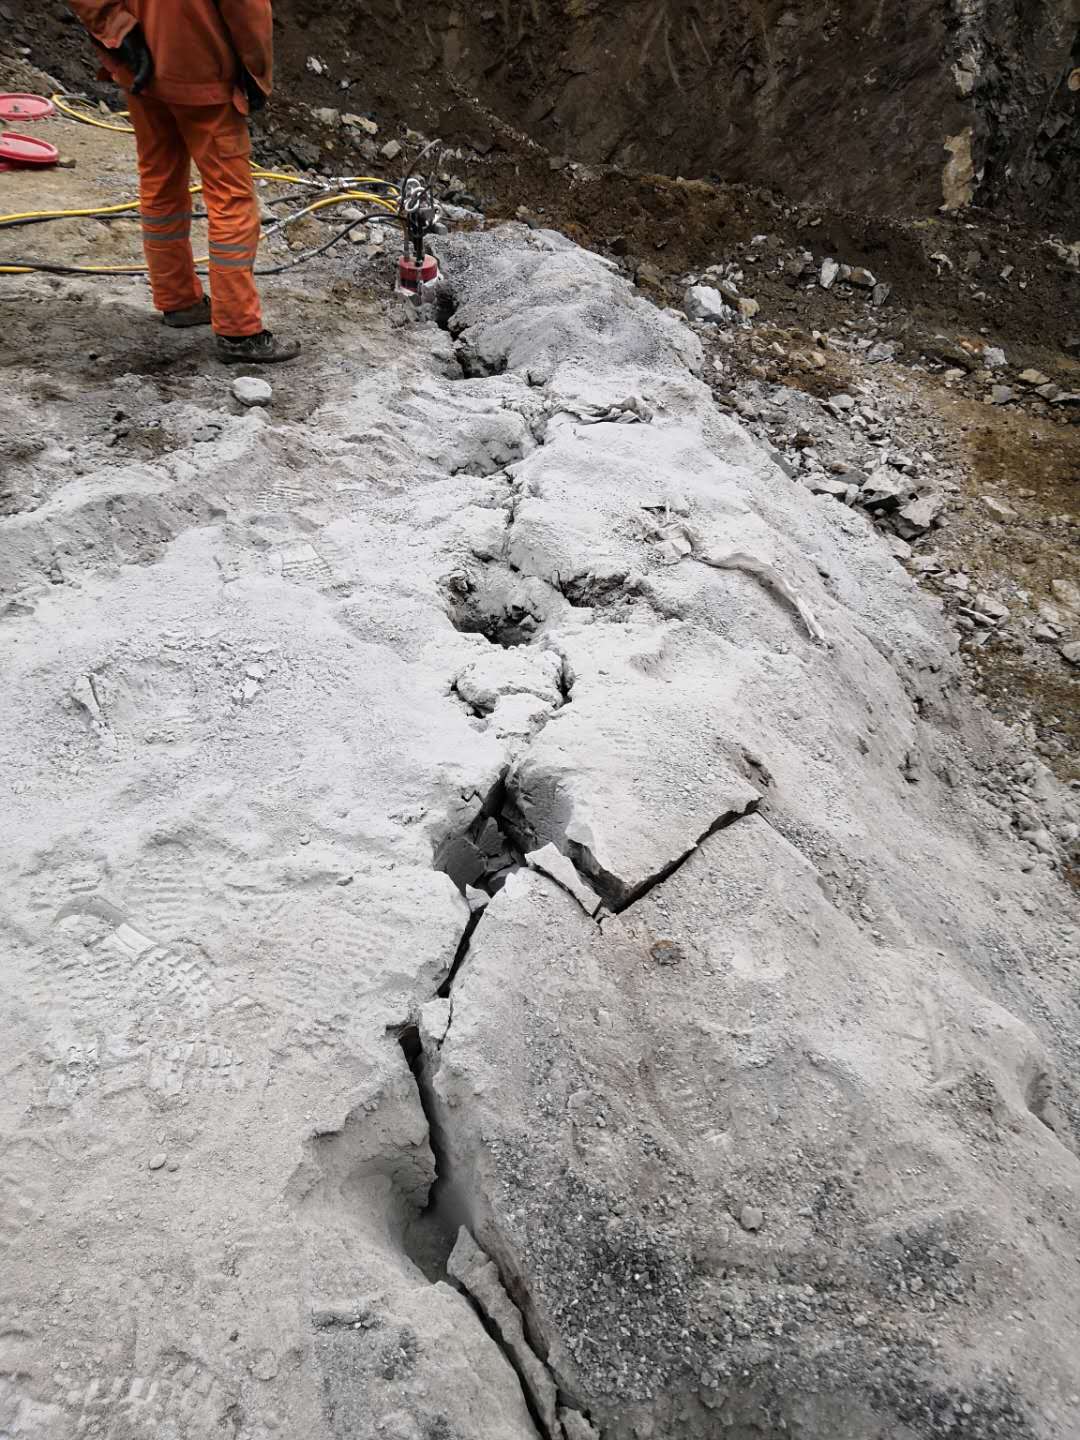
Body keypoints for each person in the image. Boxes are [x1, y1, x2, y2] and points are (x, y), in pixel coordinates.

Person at [66, 0, 299, 363]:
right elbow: (247, 8)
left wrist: (116, 27)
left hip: (140, 64)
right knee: (231, 198)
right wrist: (256, 73)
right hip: (201, 71)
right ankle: (239, 331)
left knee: (160, 179)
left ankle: (178, 300)